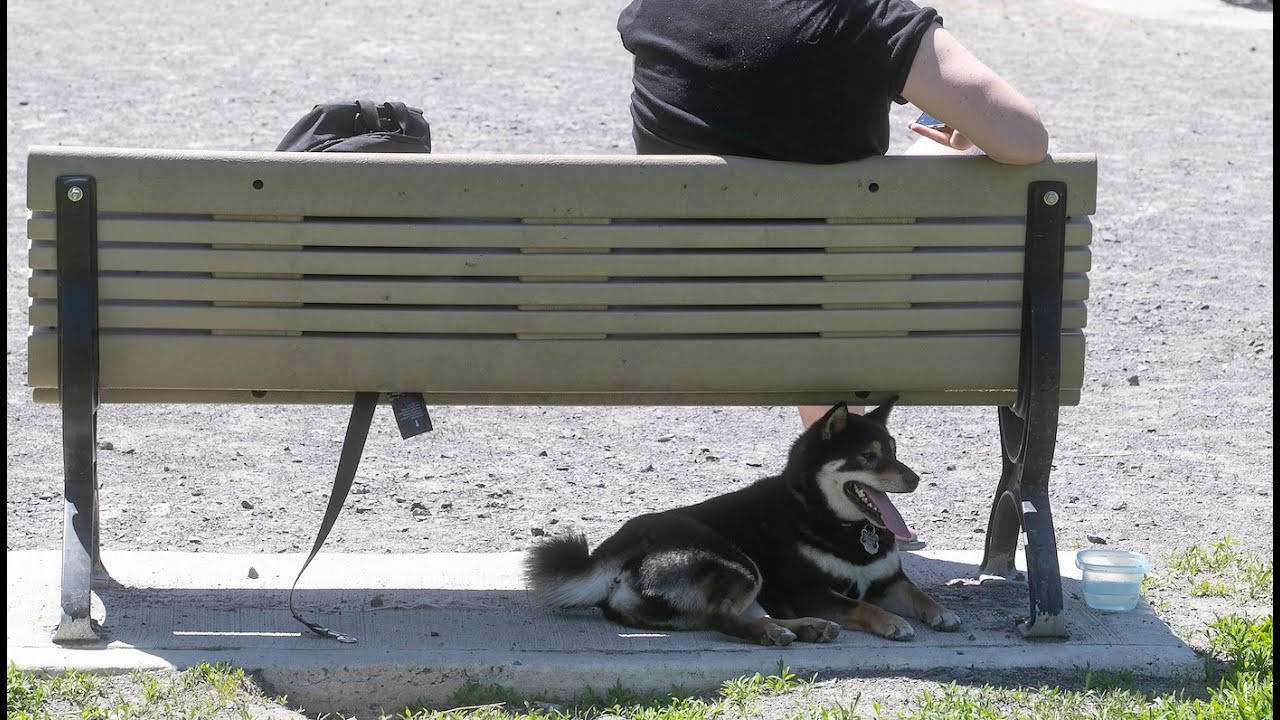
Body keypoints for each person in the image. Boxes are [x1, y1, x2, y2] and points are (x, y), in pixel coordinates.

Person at [617, 0, 1049, 549]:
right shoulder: (862, 14)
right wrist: (964, 136)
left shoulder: (659, 9)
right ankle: (842, 477)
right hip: (838, 316)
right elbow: (1025, 140)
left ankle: (834, 478)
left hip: (684, 318)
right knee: (843, 245)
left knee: (796, 254)